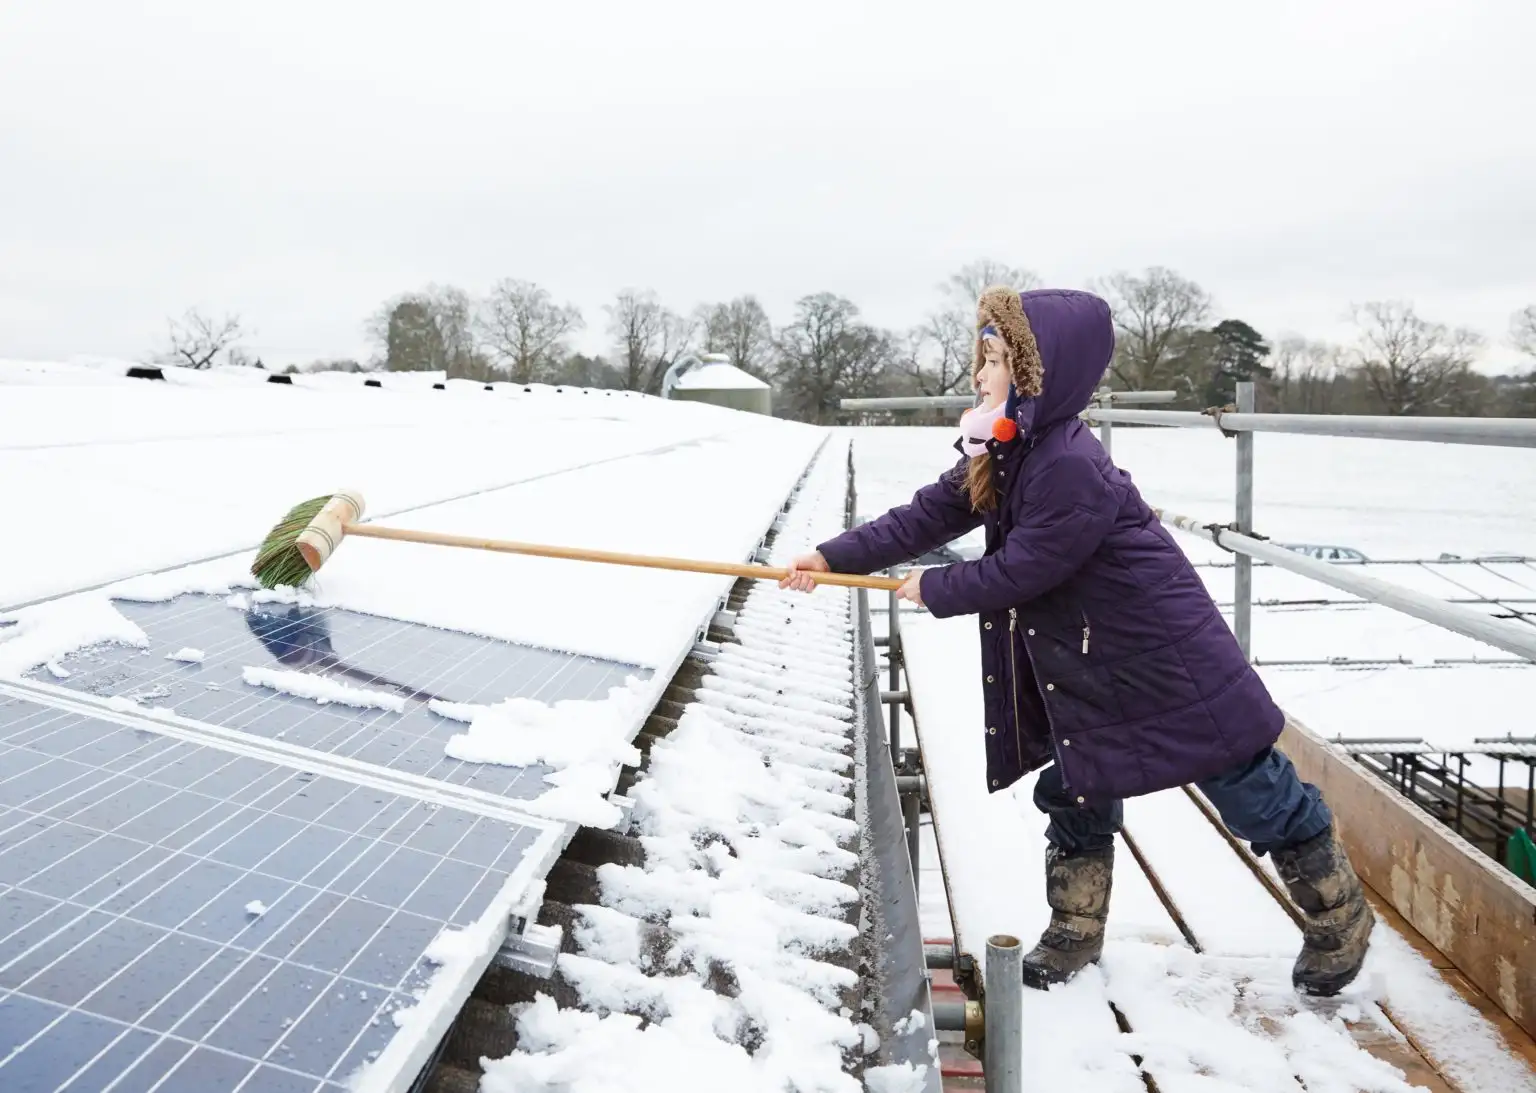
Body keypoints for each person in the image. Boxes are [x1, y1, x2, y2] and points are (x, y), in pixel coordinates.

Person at [781, 286, 1374, 996]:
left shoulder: (1066, 461)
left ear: (1037, 374)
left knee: (1247, 783)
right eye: (982, 357)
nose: (980, 374)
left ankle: (1340, 916)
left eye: (996, 359)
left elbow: (1031, 564)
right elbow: (929, 513)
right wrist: (833, 556)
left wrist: (938, 588)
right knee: (1075, 780)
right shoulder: (1006, 446)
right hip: (1094, 657)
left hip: (1163, 653)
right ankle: (1076, 927)